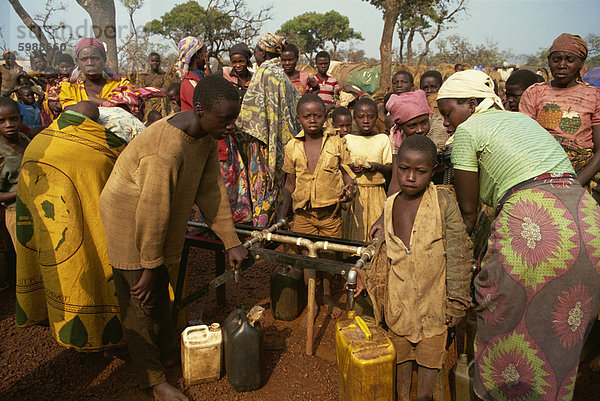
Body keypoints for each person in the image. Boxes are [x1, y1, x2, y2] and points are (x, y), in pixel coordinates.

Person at [437, 69, 600, 401]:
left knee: (503, 315)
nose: (446, 123)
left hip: (534, 224)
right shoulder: (524, 121)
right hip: (588, 218)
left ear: (471, 103)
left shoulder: (469, 132)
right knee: (560, 326)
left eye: (448, 112)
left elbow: (468, 214)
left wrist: (449, 256)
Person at [99, 74, 247, 401]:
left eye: (234, 118)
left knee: (159, 282)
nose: (230, 126)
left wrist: (230, 240)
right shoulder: (164, 149)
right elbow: (151, 211)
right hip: (128, 215)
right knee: (139, 297)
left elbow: (211, 191)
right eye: (225, 119)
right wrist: (148, 266)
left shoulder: (206, 135)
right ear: (200, 109)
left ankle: (166, 352)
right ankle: (153, 381)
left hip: (158, 212)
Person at [359, 134, 472, 401]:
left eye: (420, 171)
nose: (410, 177)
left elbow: (459, 254)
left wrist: (456, 302)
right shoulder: (389, 205)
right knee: (401, 365)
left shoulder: (444, 202)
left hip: (435, 311)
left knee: (430, 369)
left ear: (434, 171)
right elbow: (384, 255)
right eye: (404, 169)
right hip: (398, 308)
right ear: (396, 167)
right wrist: (367, 275)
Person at [15, 101, 127, 352]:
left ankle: (66, 327)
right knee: (95, 269)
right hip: (93, 226)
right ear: (92, 123)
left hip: (53, 231)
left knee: (66, 276)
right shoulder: (101, 148)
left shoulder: (38, 144)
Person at [278, 93, 353, 316]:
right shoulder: (292, 146)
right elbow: (289, 183)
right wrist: (284, 214)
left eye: (318, 116)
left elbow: (347, 175)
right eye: (307, 116)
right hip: (303, 214)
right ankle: (312, 302)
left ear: (325, 118)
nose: (313, 120)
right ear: (298, 118)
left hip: (330, 213)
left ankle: (328, 296)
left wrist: (349, 190)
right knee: (306, 258)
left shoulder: (336, 143)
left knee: (329, 257)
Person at [520, 33, 600, 191]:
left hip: (582, 175)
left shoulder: (594, 96)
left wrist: (575, 184)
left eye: (570, 60)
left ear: (581, 63)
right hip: (538, 171)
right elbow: (523, 143)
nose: (562, 65)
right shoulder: (535, 93)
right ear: (549, 62)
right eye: (556, 60)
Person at [237, 33, 300, 226]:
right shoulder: (283, 76)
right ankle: (276, 224)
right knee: (279, 184)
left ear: (263, 53)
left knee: (262, 183)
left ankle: (260, 228)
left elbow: (248, 114)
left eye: (256, 50)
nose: (254, 53)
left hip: (261, 143)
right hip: (283, 143)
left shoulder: (263, 73)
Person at [343, 97, 392, 242]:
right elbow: (341, 166)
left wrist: (376, 166)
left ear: (376, 118)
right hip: (354, 192)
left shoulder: (383, 139)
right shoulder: (347, 139)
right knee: (353, 232)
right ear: (355, 118)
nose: (366, 120)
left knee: (375, 233)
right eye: (361, 117)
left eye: (371, 117)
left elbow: (390, 167)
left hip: (377, 192)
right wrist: (351, 167)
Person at [59, 38, 131, 108]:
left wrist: (93, 100)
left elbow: (131, 109)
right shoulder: (70, 89)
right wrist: (107, 103)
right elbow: (69, 112)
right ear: (77, 62)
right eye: (84, 59)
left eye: (95, 58)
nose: (90, 63)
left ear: (104, 60)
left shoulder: (121, 86)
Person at [0, 97, 29, 247]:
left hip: (37, 205)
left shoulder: (24, 140)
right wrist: (19, 192)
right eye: (2, 121)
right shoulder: (2, 153)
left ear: (21, 118)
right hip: (16, 211)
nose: (9, 125)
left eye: (13, 119)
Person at [387, 90, 447, 154]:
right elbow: (396, 161)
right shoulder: (397, 135)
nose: (420, 130)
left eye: (424, 123)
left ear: (429, 118)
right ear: (400, 126)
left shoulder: (439, 131)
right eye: (412, 126)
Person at [177, 36, 211, 112]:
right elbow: (210, 107)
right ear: (198, 55)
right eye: (204, 53)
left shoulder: (199, 77)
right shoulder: (189, 82)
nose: (206, 57)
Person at [134, 52, 170, 120]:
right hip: (146, 106)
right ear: (149, 62)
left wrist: (149, 91)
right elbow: (140, 91)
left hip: (160, 106)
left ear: (159, 62)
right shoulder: (142, 76)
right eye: (153, 61)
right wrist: (157, 91)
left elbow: (166, 89)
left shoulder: (164, 75)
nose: (155, 63)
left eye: (157, 61)